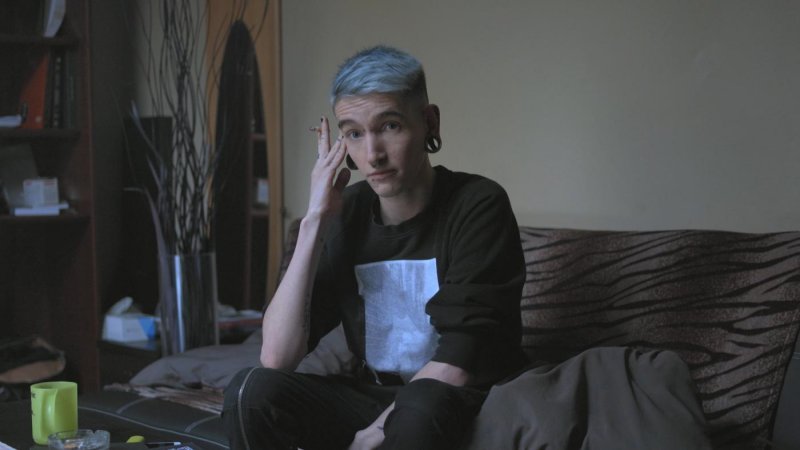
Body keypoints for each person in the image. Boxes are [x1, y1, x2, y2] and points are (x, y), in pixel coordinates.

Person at [222, 45, 528, 449]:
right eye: (353, 133)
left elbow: (460, 360)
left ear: (429, 122)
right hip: (380, 397)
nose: (373, 155)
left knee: (418, 409)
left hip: (462, 399)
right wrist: (315, 220)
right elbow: (277, 358)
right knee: (252, 391)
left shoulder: (478, 204)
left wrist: (378, 430)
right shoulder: (346, 214)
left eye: (390, 126)